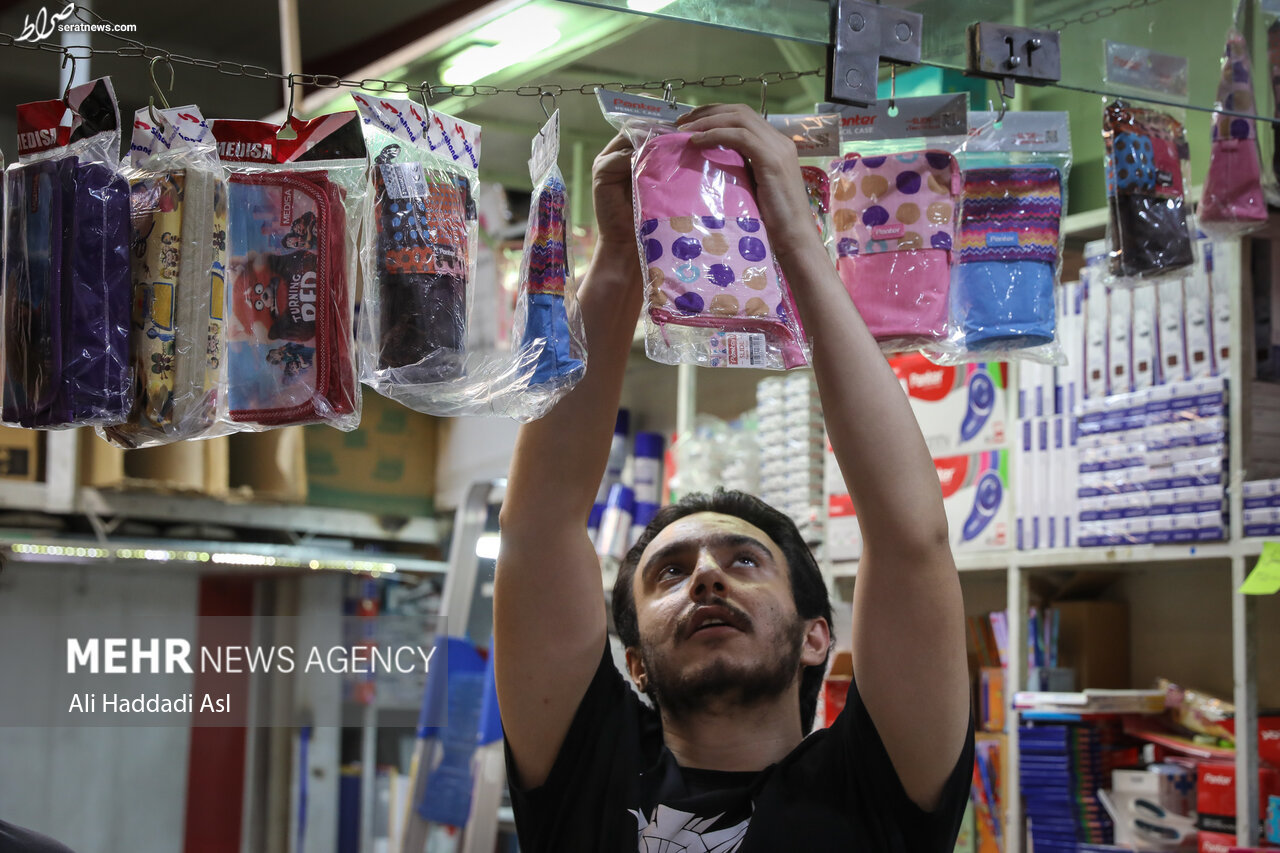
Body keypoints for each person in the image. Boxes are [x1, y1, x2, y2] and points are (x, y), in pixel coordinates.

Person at [494, 103, 974, 851]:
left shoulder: (875, 785)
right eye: (668, 572)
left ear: (818, 636)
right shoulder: (586, 769)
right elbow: (538, 529)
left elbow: (910, 538)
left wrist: (797, 238)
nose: (706, 578)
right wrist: (620, 258)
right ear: (634, 664)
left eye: (746, 560)